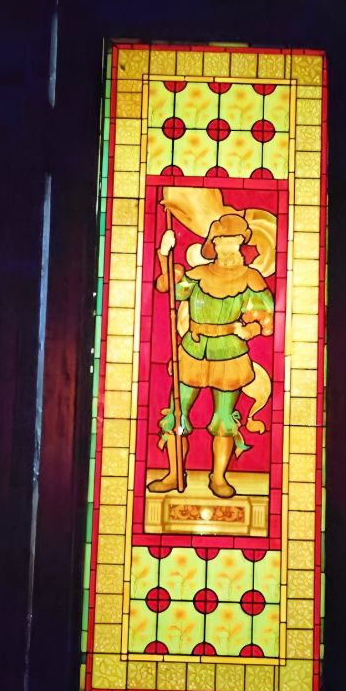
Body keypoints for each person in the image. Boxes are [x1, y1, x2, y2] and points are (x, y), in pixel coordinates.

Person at [148, 213, 274, 499]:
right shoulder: (198, 275)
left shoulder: (251, 278)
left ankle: (218, 478)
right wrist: (163, 254)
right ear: (213, 244)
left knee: (224, 418)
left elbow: (267, 315)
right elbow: (170, 289)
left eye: (234, 241)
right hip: (192, 351)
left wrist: (252, 329)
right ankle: (174, 473)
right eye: (221, 241)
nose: (227, 247)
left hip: (230, 354)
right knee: (177, 413)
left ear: (241, 244)